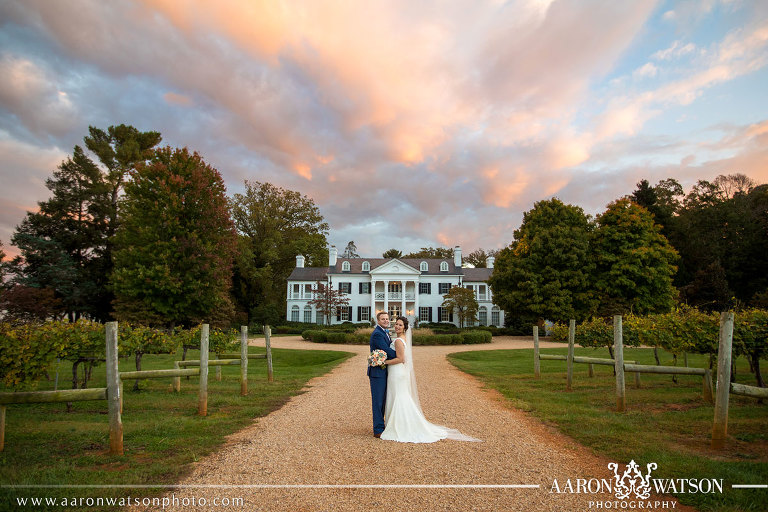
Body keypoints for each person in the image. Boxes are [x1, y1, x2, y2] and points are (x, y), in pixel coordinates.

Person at [380, 316, 480, 443]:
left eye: (400, 325)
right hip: (398, 372)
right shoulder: (401, 338)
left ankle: (400, 425)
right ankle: (402, 423)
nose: (397, 327)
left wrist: (384, 361)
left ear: (405, 327)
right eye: (396, 324)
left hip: (397, 371)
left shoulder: (399, 340)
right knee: (398, 396)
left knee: (398, 397)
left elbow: (401, 359)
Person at [368, 311, 398, 438]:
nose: (386, 321)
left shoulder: (384, 332)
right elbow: (385, 350)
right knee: (378, 401)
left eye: (387, 319)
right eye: (383, 319)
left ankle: (382, 425)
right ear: (378, 321)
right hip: (377, 373)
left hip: (383, 370)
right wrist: (400, 355)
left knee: (383, 400)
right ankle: (378, 429)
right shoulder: (377, 334)